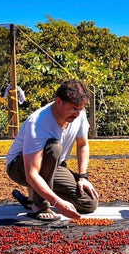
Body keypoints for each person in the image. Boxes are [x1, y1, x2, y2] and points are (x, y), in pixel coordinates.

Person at [6, 79, 99, 221]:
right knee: (54, 147)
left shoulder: (79, 115)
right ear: (58, 102)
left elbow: (82, 145)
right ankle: (39, 205)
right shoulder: (38, 123)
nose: (77, 114)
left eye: (80, 109)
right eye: (73, 108)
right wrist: (57, 202)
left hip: (54, 165)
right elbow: (32, 173)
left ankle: (33, 197)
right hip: (19, 167)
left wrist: (83, 177)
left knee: (88, 203)